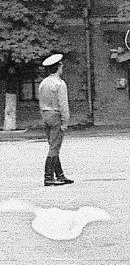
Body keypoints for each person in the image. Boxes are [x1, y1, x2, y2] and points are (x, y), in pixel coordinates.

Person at [39, 54, 73, 186]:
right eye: (61, 65)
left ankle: (59, 174)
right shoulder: (60, 84)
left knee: (53, 145)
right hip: (56, 115)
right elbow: (63, 104)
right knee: (54, 147)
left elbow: (40, 102)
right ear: (58, 67)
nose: (62, 67)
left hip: (46, 114)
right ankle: (48, 177)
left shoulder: (43, 83)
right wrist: (65, 121)